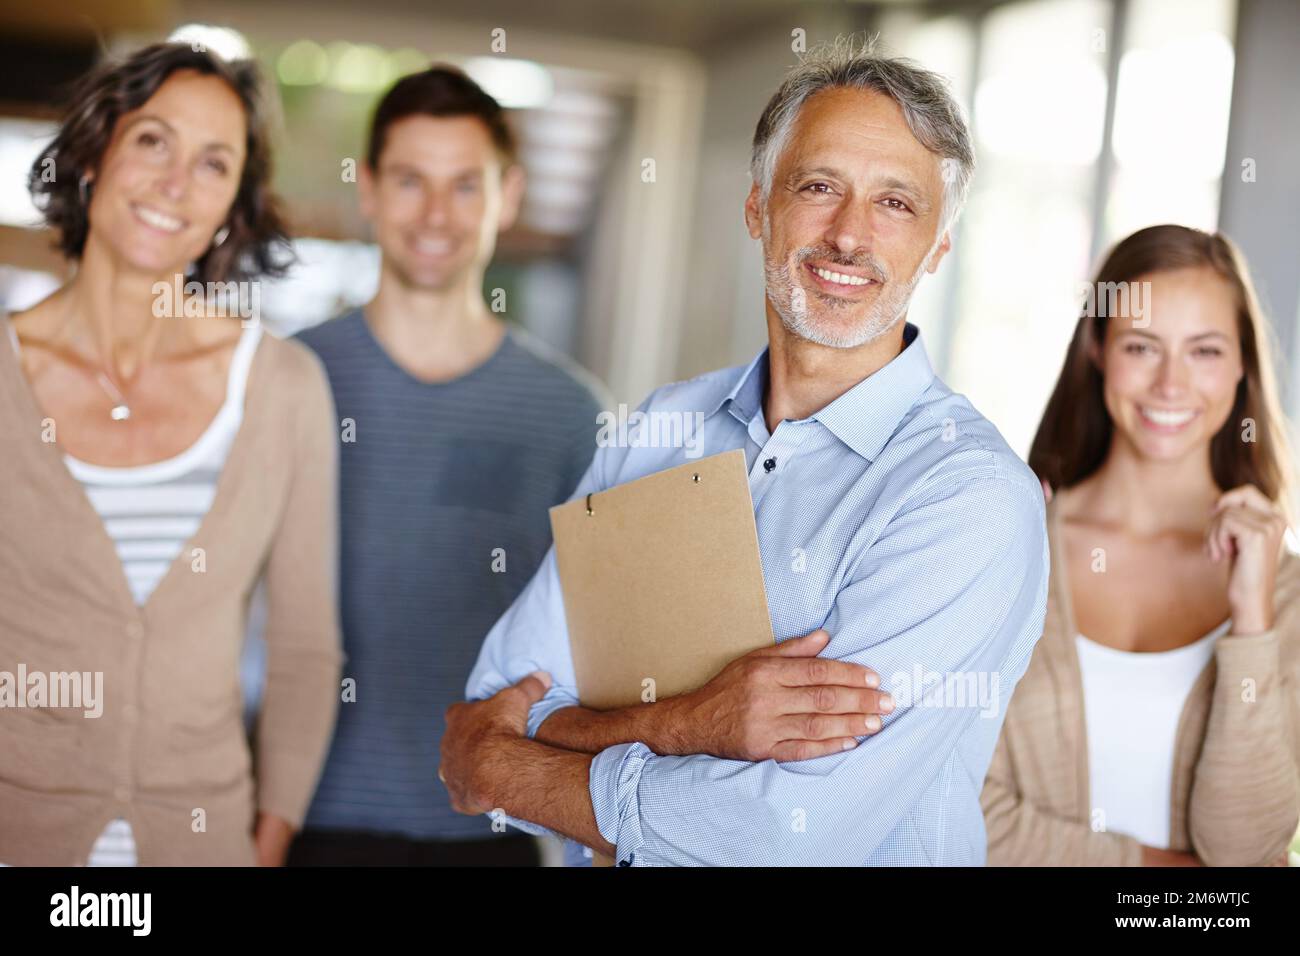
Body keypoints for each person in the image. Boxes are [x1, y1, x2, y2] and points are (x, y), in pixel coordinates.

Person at [438, 38, 1050, 866]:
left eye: (896, 204)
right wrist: (686, 724)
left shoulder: (965, 499)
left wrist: (517, 765)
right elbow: (488, 708)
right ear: (758, 205)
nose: (848, 236)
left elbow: (776, 835)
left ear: (939, 245)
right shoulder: (660, 426)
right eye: (819, 186)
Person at [0, 43, 342, 866]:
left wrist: (267, 840)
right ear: (93, 156)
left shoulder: (284, 387)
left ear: (233, 205)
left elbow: (304, 648)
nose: (175, 182)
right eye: (153, 140)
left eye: (213, 162)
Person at [289, 66, 603, 867]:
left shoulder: (572, 415)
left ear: (510, 194)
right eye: (410, 182)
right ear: (368, 189)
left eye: (466, 185)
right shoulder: (285, 383)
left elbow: (607, 655)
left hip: (494, 832)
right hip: (297, 822)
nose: (436, 214)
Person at [981, 224, 1300, 866]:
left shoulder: (1284, 593)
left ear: (1242, 364)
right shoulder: (1003, 544)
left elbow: (1248, 850)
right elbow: (958, 806)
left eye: (1205, 351)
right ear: (1097, 348)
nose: (1171, 386)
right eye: (1142, 346)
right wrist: (1161, 875)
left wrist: (1254, 623)